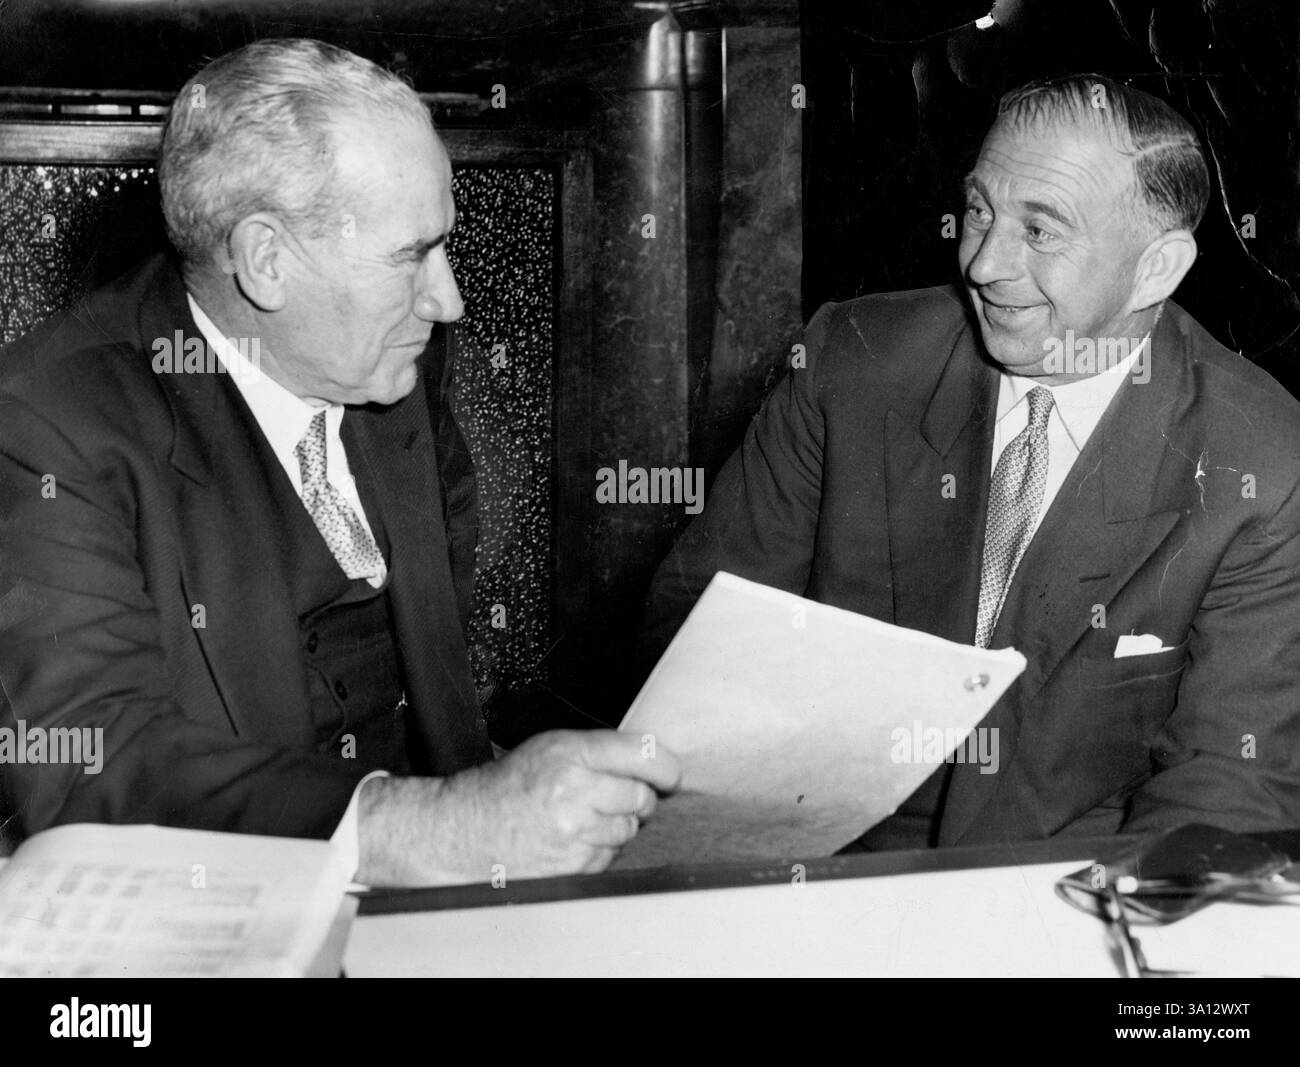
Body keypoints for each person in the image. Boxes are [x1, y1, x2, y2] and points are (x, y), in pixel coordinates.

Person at [0, 38, 678, 886]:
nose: (450, 299)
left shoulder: (397, 354)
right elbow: (89, 770)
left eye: (445, 245)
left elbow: (440, 666)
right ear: (267, 260)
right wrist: (439, 829)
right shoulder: (42, 424)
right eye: (410, 257)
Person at [642, 74, 1300, 850]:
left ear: (1157, 267)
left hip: (1067, 893)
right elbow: (699, 625)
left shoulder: (1260, 460)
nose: (984, 264)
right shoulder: (852, 364)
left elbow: (1229, 781)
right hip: (818, 861)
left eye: (1041, 231)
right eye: (980, 210)